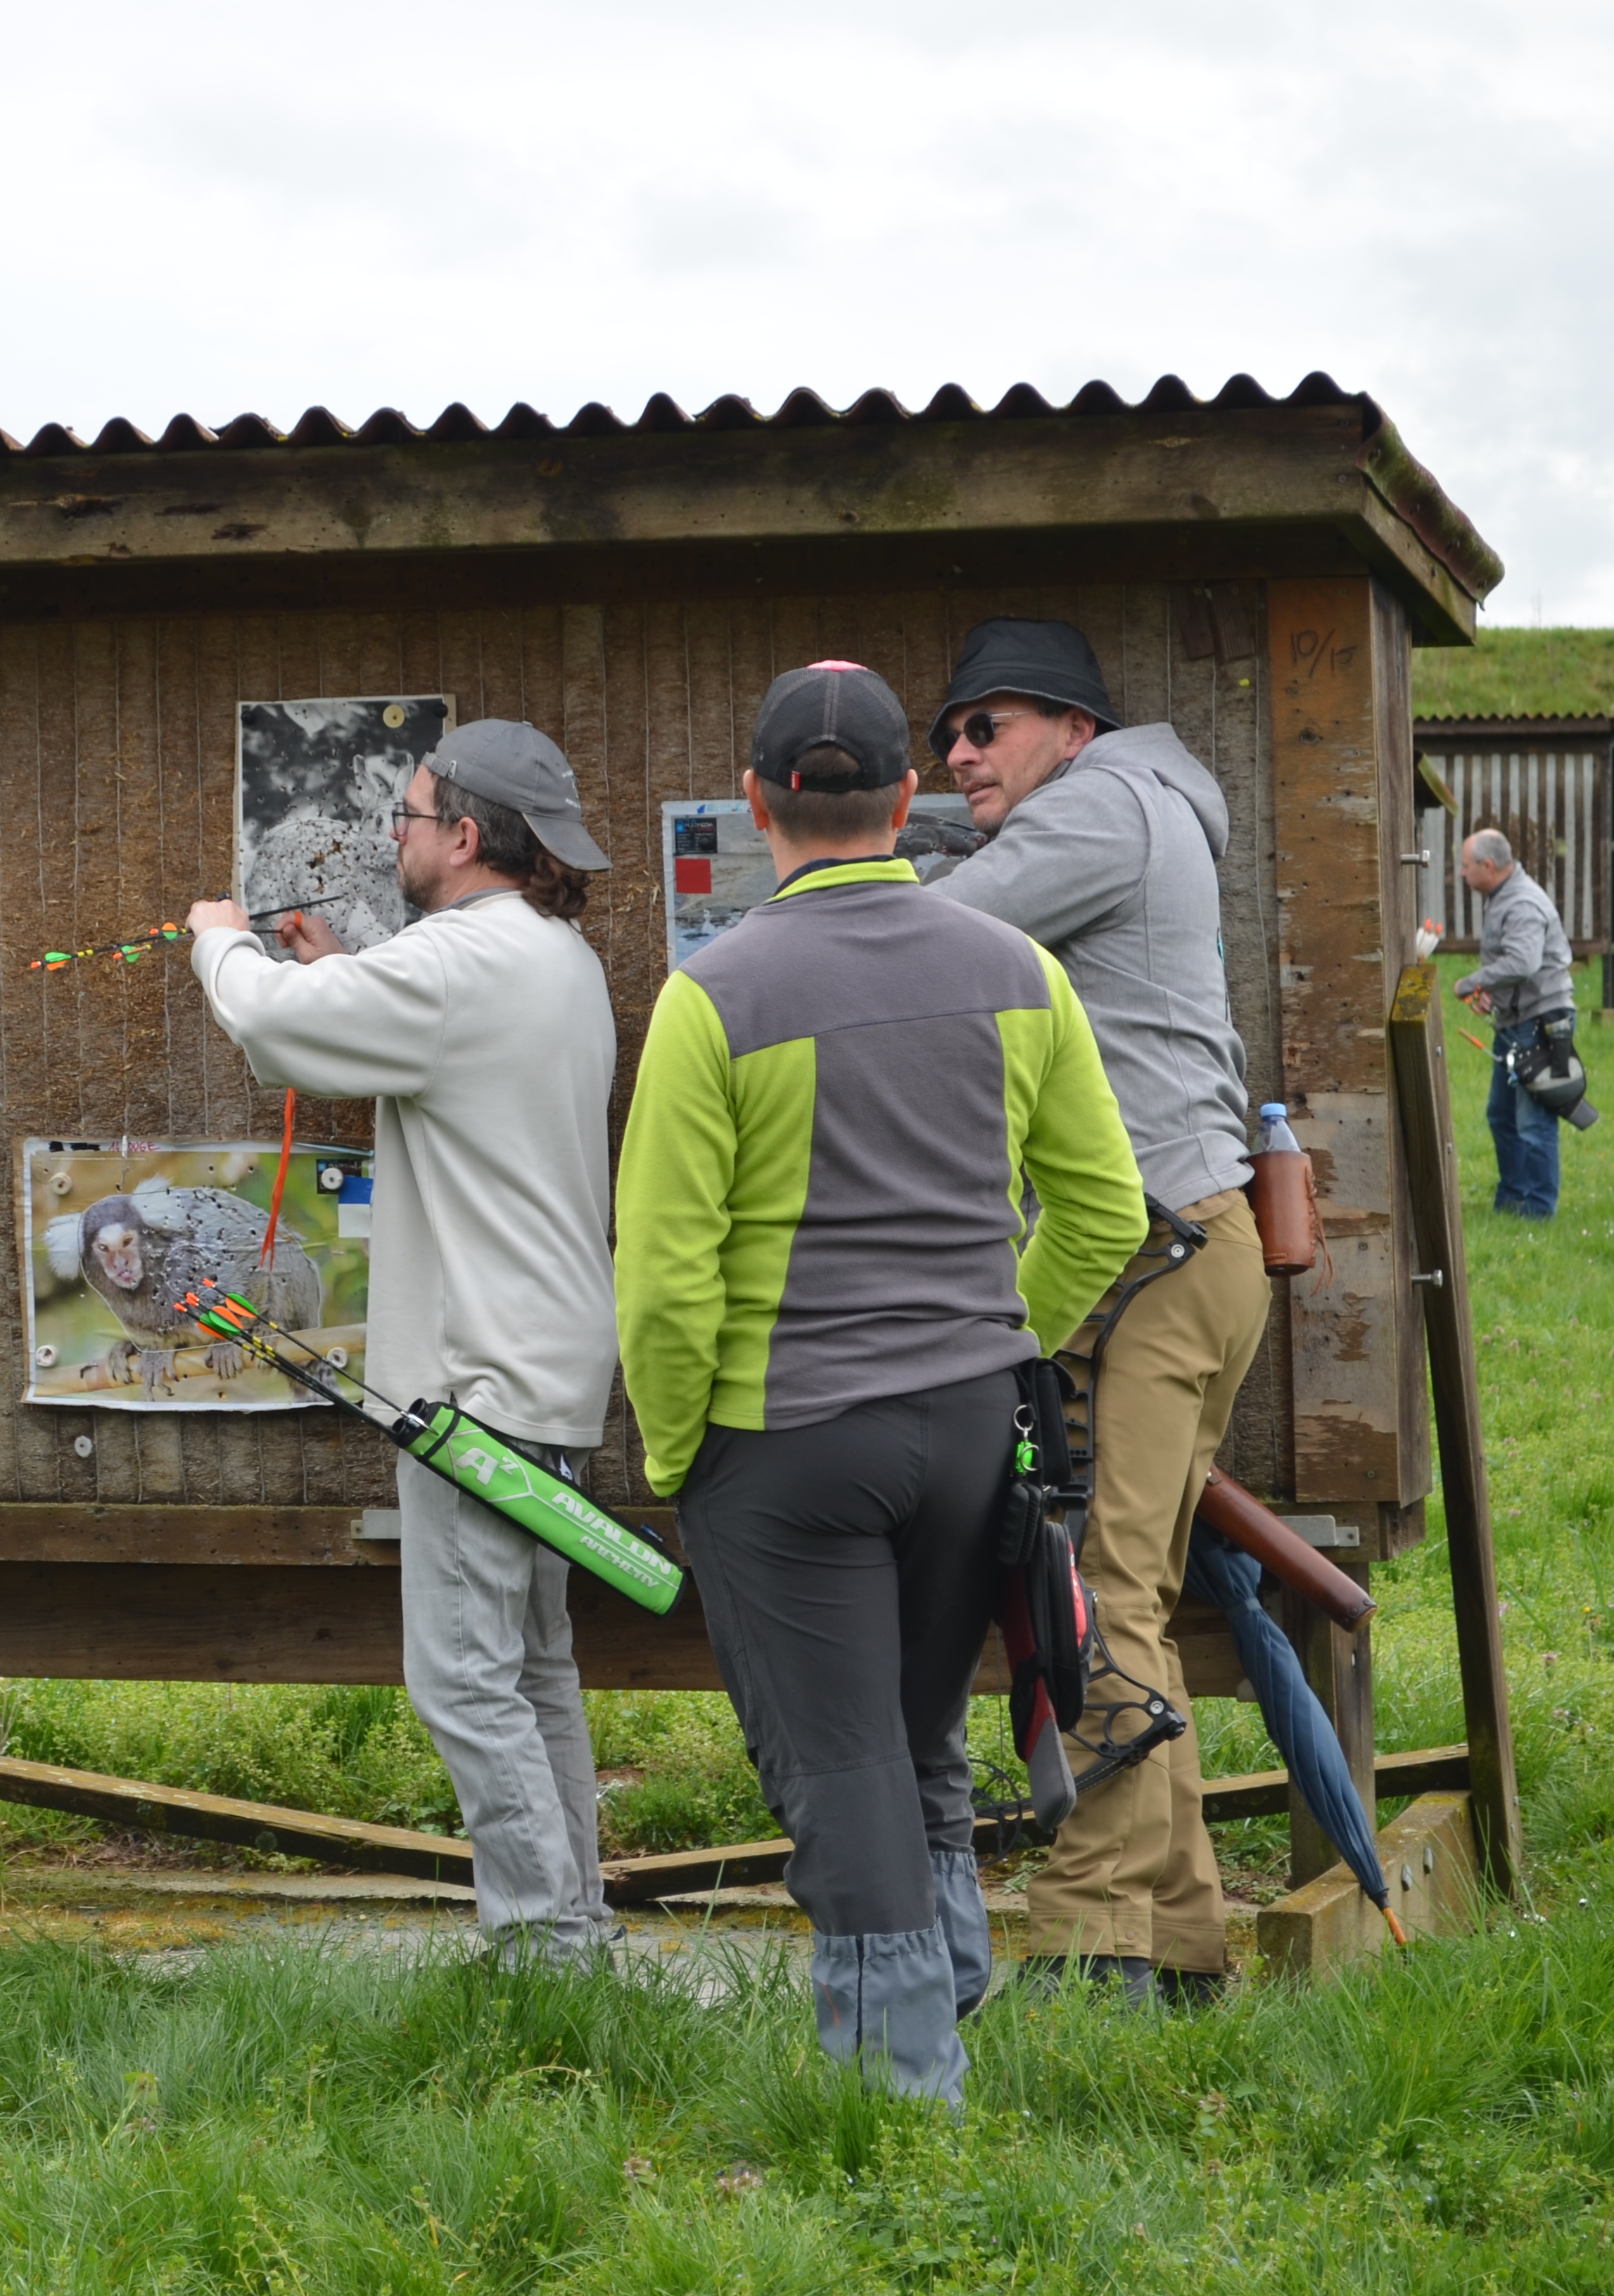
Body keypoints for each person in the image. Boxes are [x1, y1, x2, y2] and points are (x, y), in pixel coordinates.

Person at [616, 661, 1138, 2102]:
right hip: (972, 1430)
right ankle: (949, 2005)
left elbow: (664, 1275)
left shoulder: (708, 998)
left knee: (837, 1764)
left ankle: (899, 2099)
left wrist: (683, 1456)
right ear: (908, 802)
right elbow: (1100, 1212)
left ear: (755, 804)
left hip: (784, 1440)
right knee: (910, 1737)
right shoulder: (1017, 973)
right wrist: (988, 1331)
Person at [181, 720, 623, 1966]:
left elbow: (273, 1024)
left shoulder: (457, 964)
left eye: (411, 814)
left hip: (474, 1381)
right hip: (542, 1366)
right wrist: (351, 962)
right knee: (533, 1667)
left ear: (466, 835)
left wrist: (218, 936)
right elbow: (426, 1023)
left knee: (467, 1678)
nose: (396, 833)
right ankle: (573, 1925)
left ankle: (545, 1952)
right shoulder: (548, 953)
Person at [924, 616, 1272, 2007]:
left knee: (1094, 1601)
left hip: (1154, 1255)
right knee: (1128, 1597)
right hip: (1182, 1252)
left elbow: (927, 937)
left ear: (1072, 726)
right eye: (947, 732)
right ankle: (1184, 1949)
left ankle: (1088, 1946)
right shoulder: (1140, 803)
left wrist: (809, 893)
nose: (957, 752)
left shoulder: (1107, 805)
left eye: (984, 725)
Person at [1458, 828, 1576, 1220]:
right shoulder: (1502, 896)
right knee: (1502, 1115)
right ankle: (1512, 1199)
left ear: (1487, 866)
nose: (1461, 874)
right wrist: (1495, 994)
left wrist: (1473, 982)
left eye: (1465, 866)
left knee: (1534, 1120)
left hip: (1541, 1023)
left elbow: (1523, 963)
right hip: (1516, 1022)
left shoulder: (1522, 902)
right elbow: (1515, 967)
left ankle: (1538, 1212)